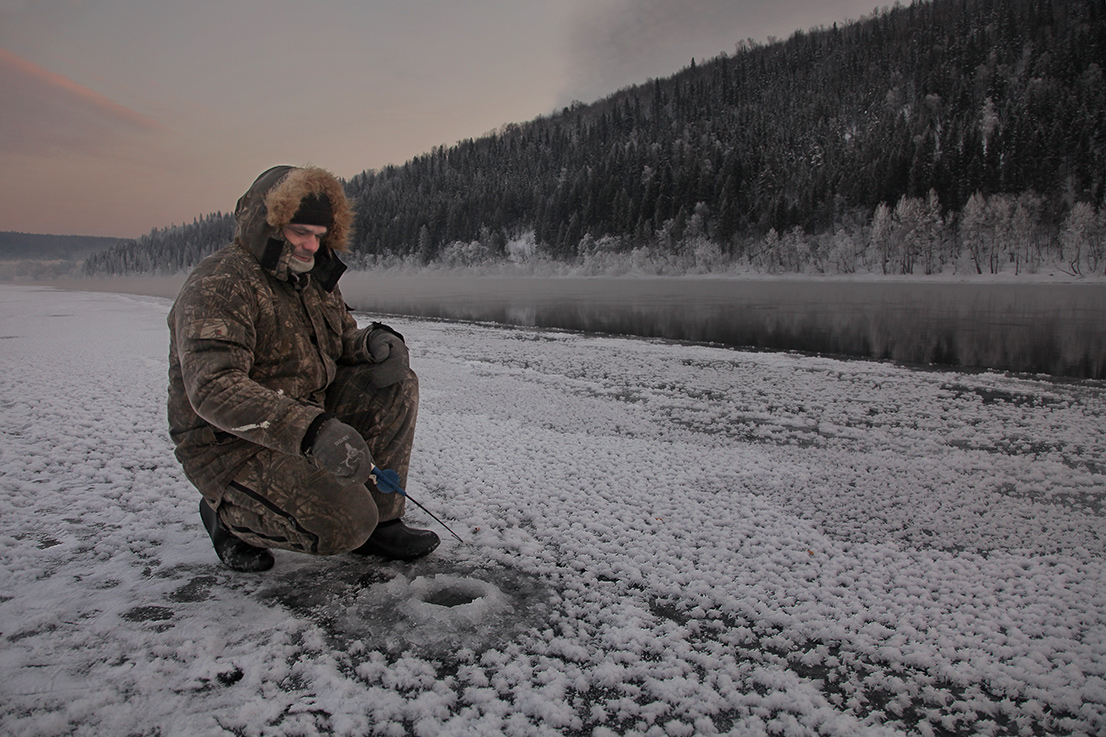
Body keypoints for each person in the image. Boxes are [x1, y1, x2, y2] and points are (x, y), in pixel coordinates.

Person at [167, 165, 440, 572]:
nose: (311, 245)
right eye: (300, 232)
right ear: (270, 225)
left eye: (319, 235)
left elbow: (337, 342)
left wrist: (371, 343)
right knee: (344, 524)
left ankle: (381, 521)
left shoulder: (310, 276)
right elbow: (214, 389)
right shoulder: (221, 283)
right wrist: (313, 431)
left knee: (394, 384)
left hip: (305, 416)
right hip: (232, 446)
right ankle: (227, 518)